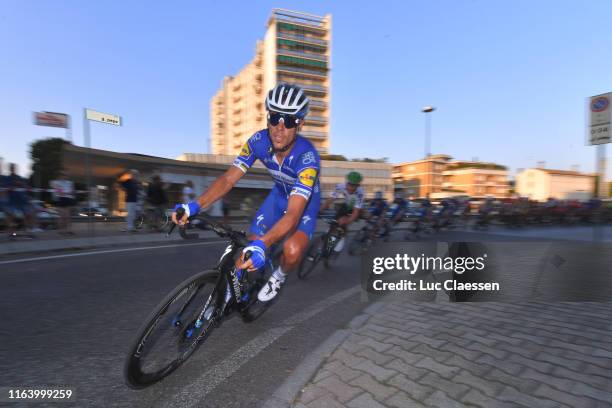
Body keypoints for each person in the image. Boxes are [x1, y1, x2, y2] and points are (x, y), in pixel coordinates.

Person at [173, 83, 319, 302]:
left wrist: (264, 244)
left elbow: (293, 215)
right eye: (274, 118)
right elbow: (228, 179)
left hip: (303, 206)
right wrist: (193, 206)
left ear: (300, 124)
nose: (279, 128)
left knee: (292, 250)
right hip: (278, 197)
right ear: (267, 117)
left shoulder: (308, 158)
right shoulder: (257, 141)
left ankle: (278, 276)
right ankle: (231, 292)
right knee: (249, 246)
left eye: (288, 121)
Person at [319, 171, 364, 252]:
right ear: (346, 182)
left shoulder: (360, 193)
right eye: (349, 184)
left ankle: (341, 238)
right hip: (346, 204)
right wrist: (321, 209)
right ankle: (330, 231)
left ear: (358, 186)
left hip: (354, 207)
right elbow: (330, 199)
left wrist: (347, 220)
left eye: (354, 186)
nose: (350, 188)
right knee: (335, 220)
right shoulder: (340, 186)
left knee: (343, 223)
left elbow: (356, 212)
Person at [5, 163, 40, 234]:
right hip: (12, 202)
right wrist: (14, 185)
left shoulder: (19, 177)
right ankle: (12, 234)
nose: (13, 169)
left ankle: (28, 232)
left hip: (23, 201)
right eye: (12, 167)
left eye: (14, 167)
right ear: (9, 168)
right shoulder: (7, 178)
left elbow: (25, 186)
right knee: (12, 218)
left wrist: (26, 189)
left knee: (28, 215)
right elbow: (7, 188)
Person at [50, 170, 75, 234]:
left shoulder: (69, 183)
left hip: (68, 199)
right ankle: (60, 230)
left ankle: (68, 230)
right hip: (60, 199)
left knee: (67, 216)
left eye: (67, 175)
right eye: (64, 175)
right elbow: (59, 191)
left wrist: (68, 192)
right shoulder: (56, 182)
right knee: (61, 216)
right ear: (60, 175)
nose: (66, 176)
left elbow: (72, 191)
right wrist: (64, 192)